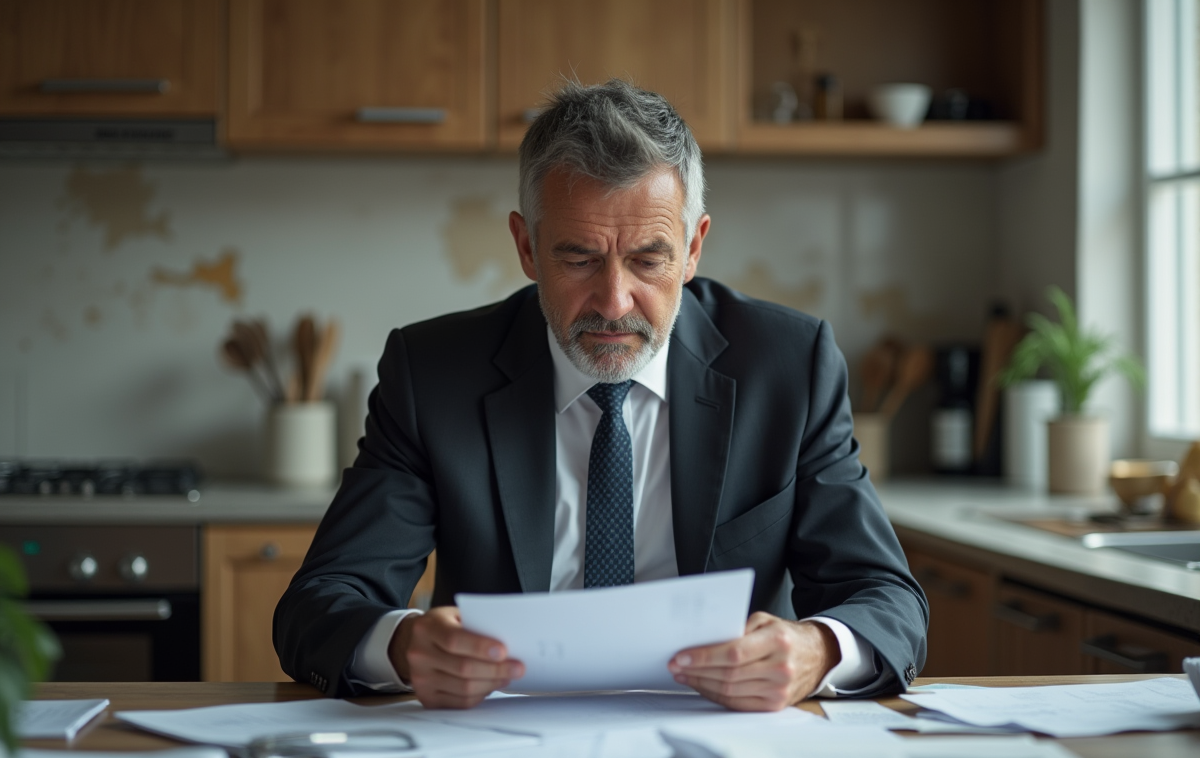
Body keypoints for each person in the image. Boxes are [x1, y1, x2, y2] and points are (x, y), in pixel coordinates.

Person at [274, 79, 927, 712]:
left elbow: (886, 598)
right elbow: (320, 602)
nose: (615, 303)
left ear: (694, 247)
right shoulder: (435, 374)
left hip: (724, 736)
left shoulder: (788, 367)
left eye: (649, 259)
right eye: (579, 259)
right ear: (527, 247)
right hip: (500, 743)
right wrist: (404, 644)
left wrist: (816, 649)